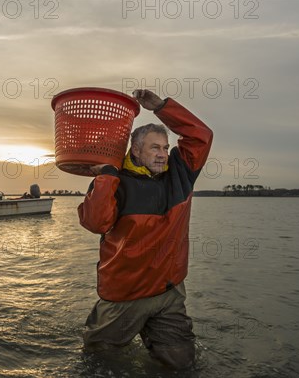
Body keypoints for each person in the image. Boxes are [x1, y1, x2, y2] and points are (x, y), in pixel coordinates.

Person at [78, 89, 213, 369]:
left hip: (168, 293)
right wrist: (105, 176)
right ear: (136, 150)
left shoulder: (180, 170)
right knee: (100, 361)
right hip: (124, 297)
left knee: (180, 365)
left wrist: (163, 107)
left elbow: (201, 136)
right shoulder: (114, 178)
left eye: (165, 147)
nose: (163, 154)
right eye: (155, 148)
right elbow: (95, 223)